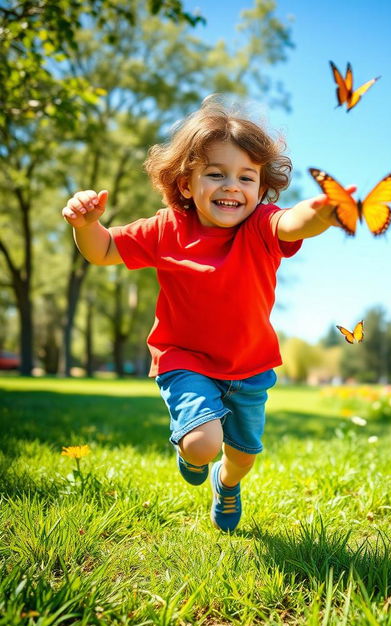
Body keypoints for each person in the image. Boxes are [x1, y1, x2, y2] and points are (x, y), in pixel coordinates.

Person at [61, 96, 352, 533]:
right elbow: (103, 250)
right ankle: (192, 448)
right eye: (215, 174)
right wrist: (85, 224)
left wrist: (324, 211)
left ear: (261, 188)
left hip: (249, 366)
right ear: (185, 184)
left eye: (246, 177)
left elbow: (294, 222)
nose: (232, 186)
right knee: (202, 443)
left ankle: (225, 483)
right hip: (185, 358)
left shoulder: (262, 226)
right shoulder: (165, 229)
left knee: (243, 457)